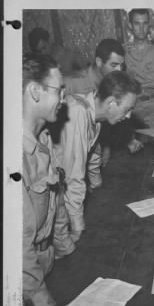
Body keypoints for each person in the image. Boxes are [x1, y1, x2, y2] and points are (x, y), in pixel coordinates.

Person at [23, 53, 76, 306]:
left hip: (44, 269)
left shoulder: (43, 138)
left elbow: (54, 200)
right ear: (34, 91)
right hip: (22, 289)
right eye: (59, 91)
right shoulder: (15, 157)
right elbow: (16, 246)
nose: (65, 98)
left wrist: (65, 247)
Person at [55, 71, 141, 242]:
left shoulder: (95, 113)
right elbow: (73, 174)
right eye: (127, 109)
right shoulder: (78, 112)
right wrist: (77, 227)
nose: (129, 116)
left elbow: (93, 152)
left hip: (67, 188)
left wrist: (97, 184)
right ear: (110, 103)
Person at [64, 38, 143, 173]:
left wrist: (113, 144)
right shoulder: (71, 83)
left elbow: (111, 115)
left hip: (95, 150)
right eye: (114, 65)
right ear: (99, 62)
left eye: (121, 66)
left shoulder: (115, 85)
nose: (119, 70)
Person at [124, 9, 154, 133]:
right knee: (136, 148)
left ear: (149, 25)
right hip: (133, 106)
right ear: (130, 25)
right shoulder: (124, 51)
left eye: (144, 23)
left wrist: (134, 80)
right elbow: (122, 83)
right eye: (137, 23)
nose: (141, 28)